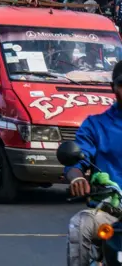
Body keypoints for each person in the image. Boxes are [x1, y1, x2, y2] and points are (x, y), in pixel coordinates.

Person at [65, 60, 122, 266]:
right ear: (113, 88)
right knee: (80, 225)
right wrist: (77, 178)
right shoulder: (95, 125)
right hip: (109, 212)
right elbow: (75, 162)